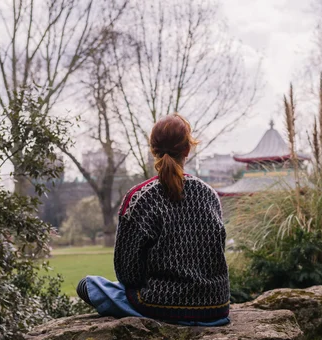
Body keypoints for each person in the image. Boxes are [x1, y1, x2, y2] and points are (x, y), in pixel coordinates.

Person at [76, 113, 230, 326]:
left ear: (153, 150)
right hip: (215, 308)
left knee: (87, 284)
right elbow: (217, 254)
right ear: (187, 149)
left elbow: (127, 275)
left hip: (162, 306)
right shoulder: (210, 195)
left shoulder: (139, 197)